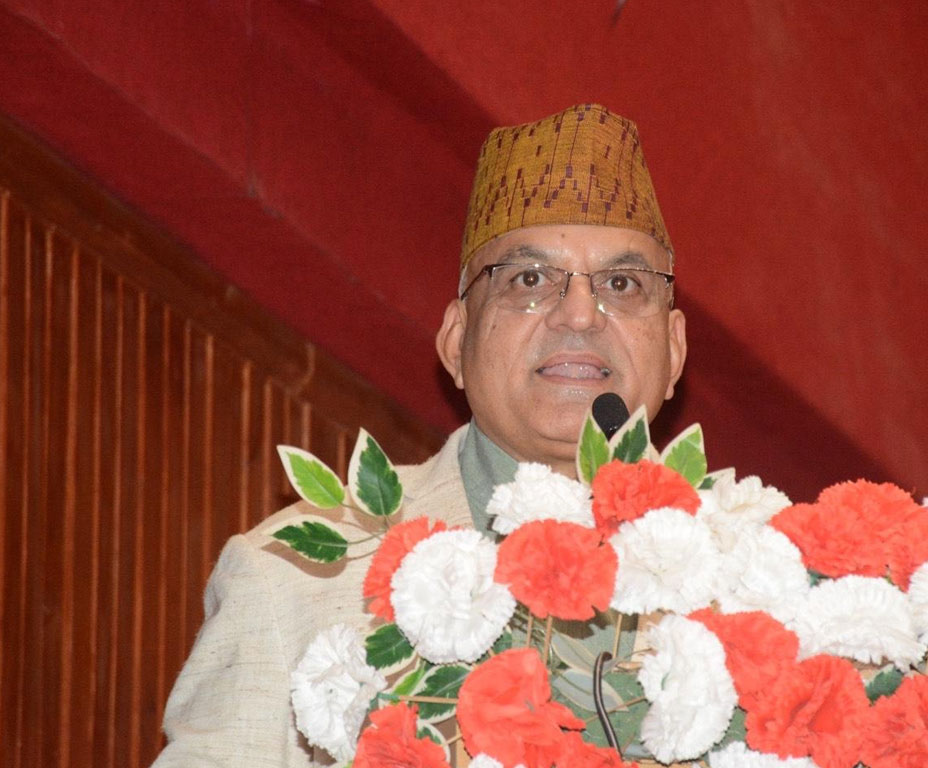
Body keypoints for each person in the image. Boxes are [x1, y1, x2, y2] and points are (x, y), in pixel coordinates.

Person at [153, 103, 686, 767]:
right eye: (529, 279)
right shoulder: (295, 584)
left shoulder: (763, 590)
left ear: (674, 350)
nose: (579, 314)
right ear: (456, 342)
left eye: (622, 283)